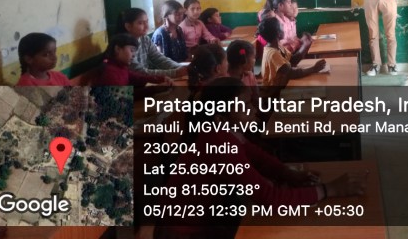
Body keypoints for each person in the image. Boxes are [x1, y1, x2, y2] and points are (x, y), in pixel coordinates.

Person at [152, 77, 368, 239]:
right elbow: (269, 199)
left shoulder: (222, 132)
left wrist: (288, 174)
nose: (253, 110)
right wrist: (328, 190)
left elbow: (259, 157)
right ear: (221, 116)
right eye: (245, 105)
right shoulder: (220, 143)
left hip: (207, 223)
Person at [117, 8, 187, 78]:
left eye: (146, 22)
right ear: (128, 26)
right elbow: (138, 72)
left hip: (146, 80)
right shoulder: (124, 46)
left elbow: (158, 58)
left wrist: (180, 68)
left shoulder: (144, 39)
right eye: (140, 23)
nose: (146, 26)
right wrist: (175, 73)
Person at [258, 16, 325, 89]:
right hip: (274, 92)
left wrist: (305, 45)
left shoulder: (277, 46)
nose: (284, 28)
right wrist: (313, 69)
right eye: (281, 26)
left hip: (282, 85)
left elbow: (292, 60)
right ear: (278, 33)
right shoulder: (272, 53)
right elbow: (291, 73)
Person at [97, 33, 172, 86]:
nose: (134, 55)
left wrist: (161, 79)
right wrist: (156, 89)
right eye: (132, 50)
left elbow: (138, 78)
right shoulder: (110, 73)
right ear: (117, 49)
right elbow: (124, 98)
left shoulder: (121, 67)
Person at [226, 39, 258, 104]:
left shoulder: (250, 76)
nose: (255, 60)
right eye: (253, 57)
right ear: (245, 60)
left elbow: (256, 97)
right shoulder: (224, 80)